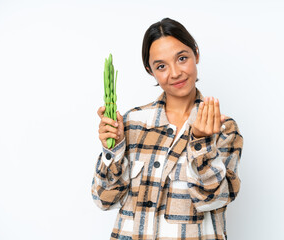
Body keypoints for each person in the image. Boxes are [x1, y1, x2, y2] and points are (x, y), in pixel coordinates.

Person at [91, 17, 243, 240]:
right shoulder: (132, 123)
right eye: (161, 66)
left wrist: (201, 142)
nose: (174, 73)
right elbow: (104, 200)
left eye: (182, 58)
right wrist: (112, 150)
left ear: (196, 54)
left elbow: (213, 199)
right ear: (150, 70)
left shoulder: (223, 128)